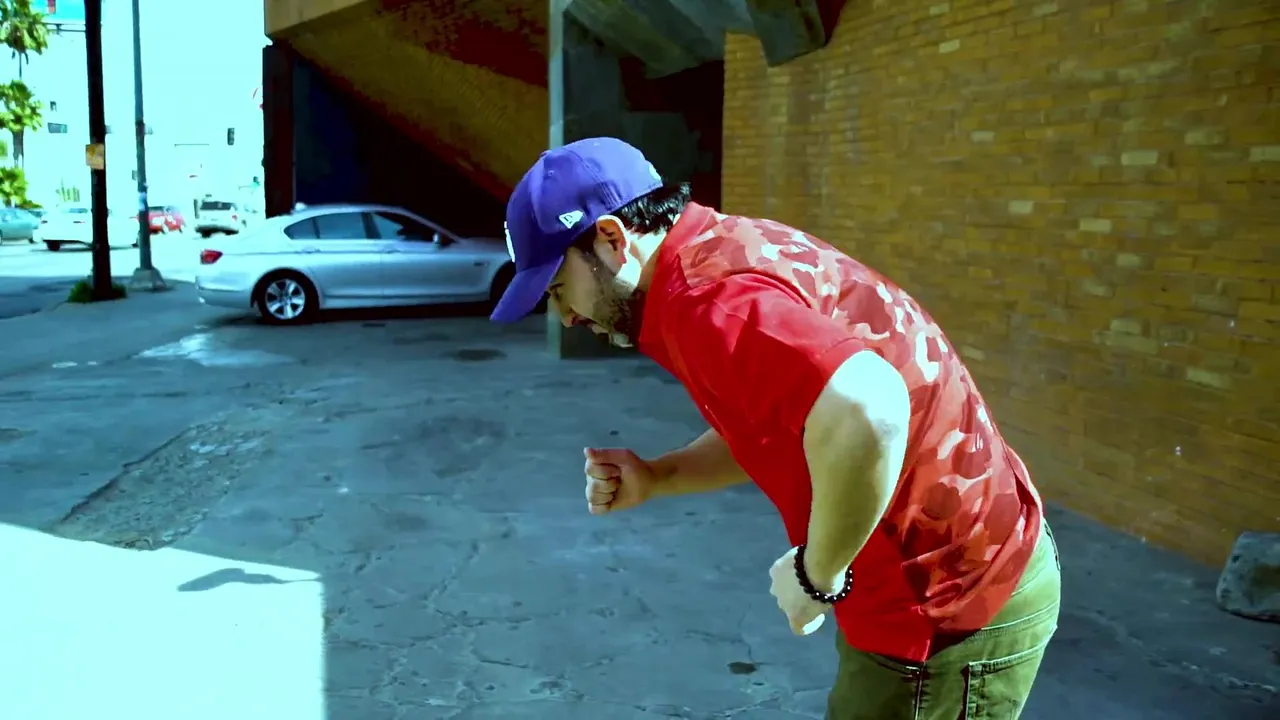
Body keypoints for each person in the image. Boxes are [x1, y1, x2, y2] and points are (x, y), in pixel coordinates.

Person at [490, 137, 1061, 720]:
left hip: (944, 610)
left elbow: (869, 410)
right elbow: (794, 414)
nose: (564, 316)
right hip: (969, 566)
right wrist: (660, 476)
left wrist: (817, 576)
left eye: (558, 289)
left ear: (612, 240)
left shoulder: (709, 303)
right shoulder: (718, 248)